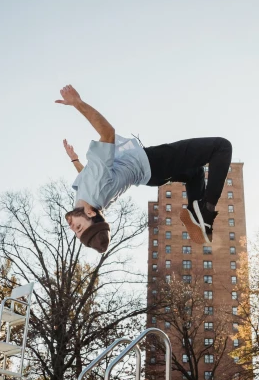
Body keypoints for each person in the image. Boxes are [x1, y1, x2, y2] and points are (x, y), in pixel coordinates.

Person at [57, 84, 232, 253]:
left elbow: (85, 175)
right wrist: (77, 103)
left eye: (76, 231)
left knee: (195, 172)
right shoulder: (95, 188)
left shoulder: (85, 200)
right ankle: (206, 212)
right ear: (90, 212)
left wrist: (74, 159)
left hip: (151, 175)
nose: (72, 227)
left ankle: (196, 213)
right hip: (154, 162)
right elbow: (108, 132)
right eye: (79, 227)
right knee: (221, 147)